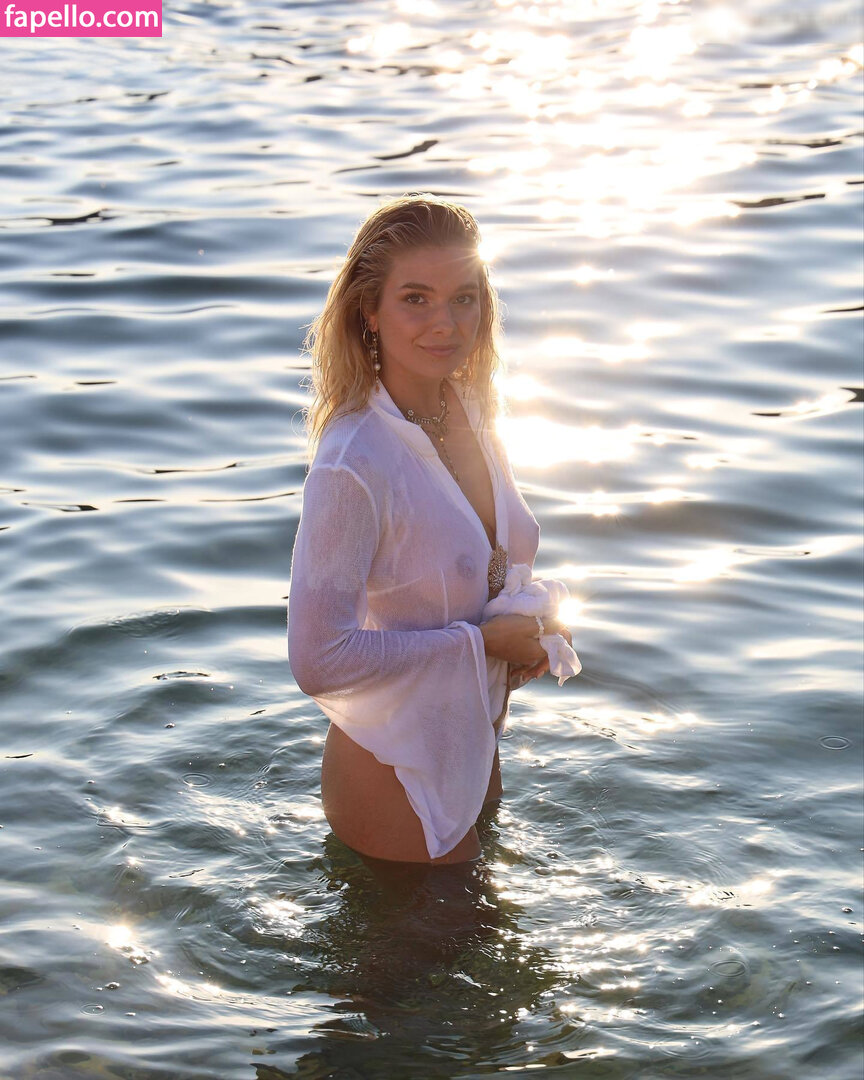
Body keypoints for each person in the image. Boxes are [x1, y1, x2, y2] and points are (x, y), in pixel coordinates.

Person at [287, 194, 572, 866]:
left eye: (464, 298)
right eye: (416, 299)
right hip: (394, 769)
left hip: (472, 742)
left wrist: (530, 625)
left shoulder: (469, 405)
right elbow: (316, 658)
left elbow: (484, 563)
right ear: (369, 309)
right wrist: (484, 643)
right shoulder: (354, 461)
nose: (446, 324)